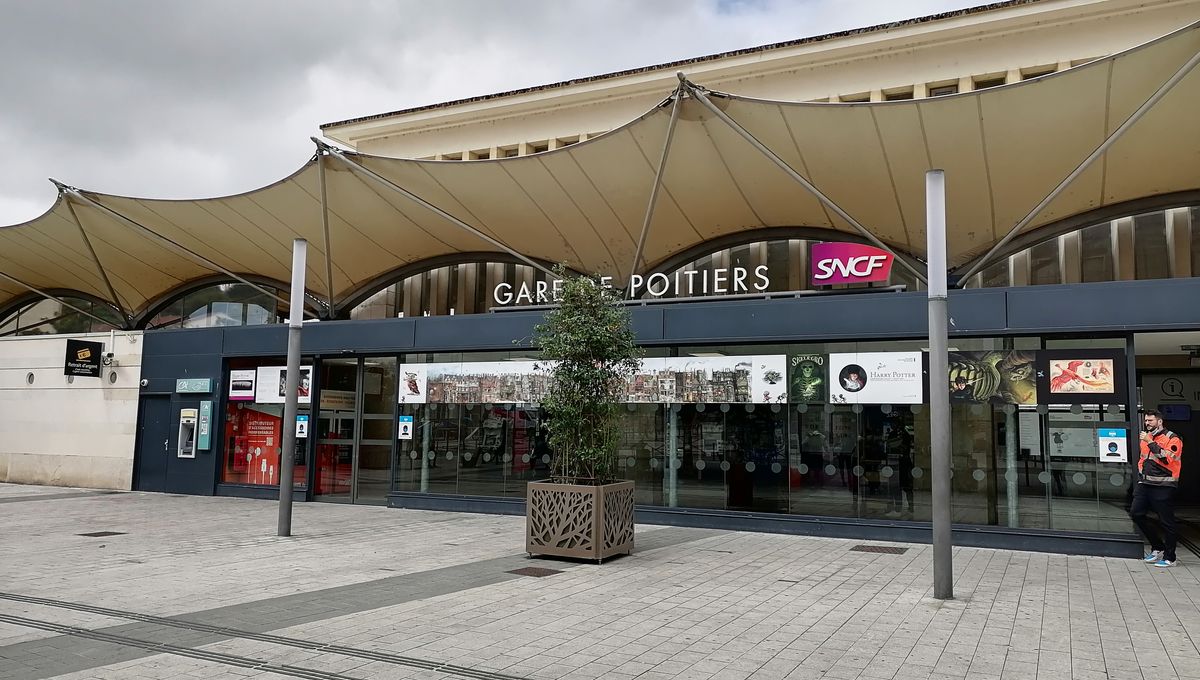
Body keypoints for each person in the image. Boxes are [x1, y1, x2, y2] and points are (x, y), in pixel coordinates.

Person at [1130, 409, 1183, 567]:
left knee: (1166, 522)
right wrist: (1140, 477)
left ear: (1159, 421)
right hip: (1145, 484)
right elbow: (1142, 459)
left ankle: (1170, 557)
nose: (1147, 423)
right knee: (1136, 513)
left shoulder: (1172, 438)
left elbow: (1166, 459)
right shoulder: (1146, 438)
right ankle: (1158, 547)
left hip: (1164, 485)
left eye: (1150, 421)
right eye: (1146, 421)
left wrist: (1150, 442)